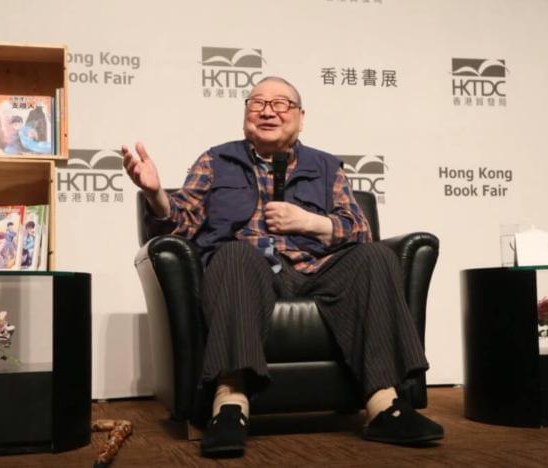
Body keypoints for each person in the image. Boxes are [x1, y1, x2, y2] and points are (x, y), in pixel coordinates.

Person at [123, 76, 443, 458]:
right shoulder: (216, 161)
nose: (268, 111)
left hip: (317, 267)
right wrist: (156, 195)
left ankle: (385, 406)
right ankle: (229, 405)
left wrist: (310, 222)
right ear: (245, 114)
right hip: (247, 269)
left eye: (281, 103)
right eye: (257, 103)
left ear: (301, 118)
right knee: (234, 255)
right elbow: (180, 224)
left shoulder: (326, 167)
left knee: (376, 256)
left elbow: (359, 229)